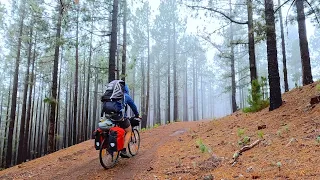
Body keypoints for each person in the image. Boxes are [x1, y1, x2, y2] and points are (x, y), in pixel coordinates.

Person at [119, 84, 140, 158]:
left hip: (109, 118)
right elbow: (133, 107)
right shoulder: (125, 96)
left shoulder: (112, 96)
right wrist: (137, 115)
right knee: (129, 130)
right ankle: (123, 150)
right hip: (120, 118)